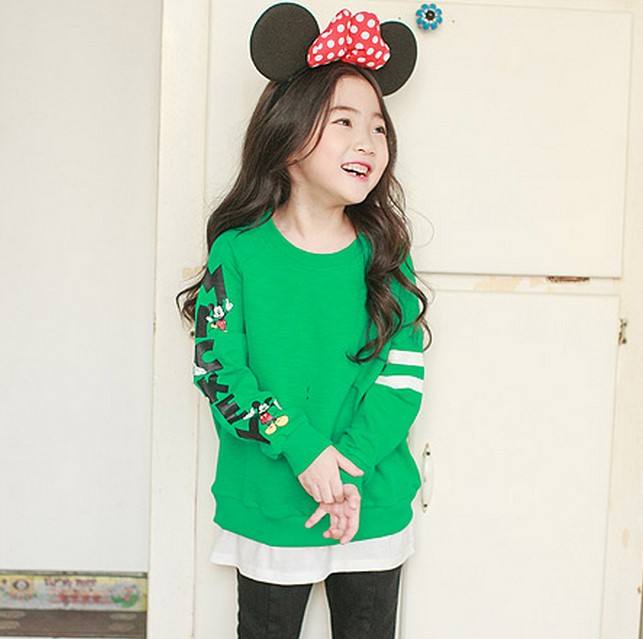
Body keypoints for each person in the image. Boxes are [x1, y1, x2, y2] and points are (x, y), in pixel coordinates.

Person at [176, 4, 433, 638]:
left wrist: (345, 466)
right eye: (344, 121)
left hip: (371, 503)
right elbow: (219, 372)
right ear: (289, 137)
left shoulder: (386, 255)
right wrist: (304, 449)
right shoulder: (238, 253)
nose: (368, 142)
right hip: (271, 504)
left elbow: (402, 378)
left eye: (378, 127)